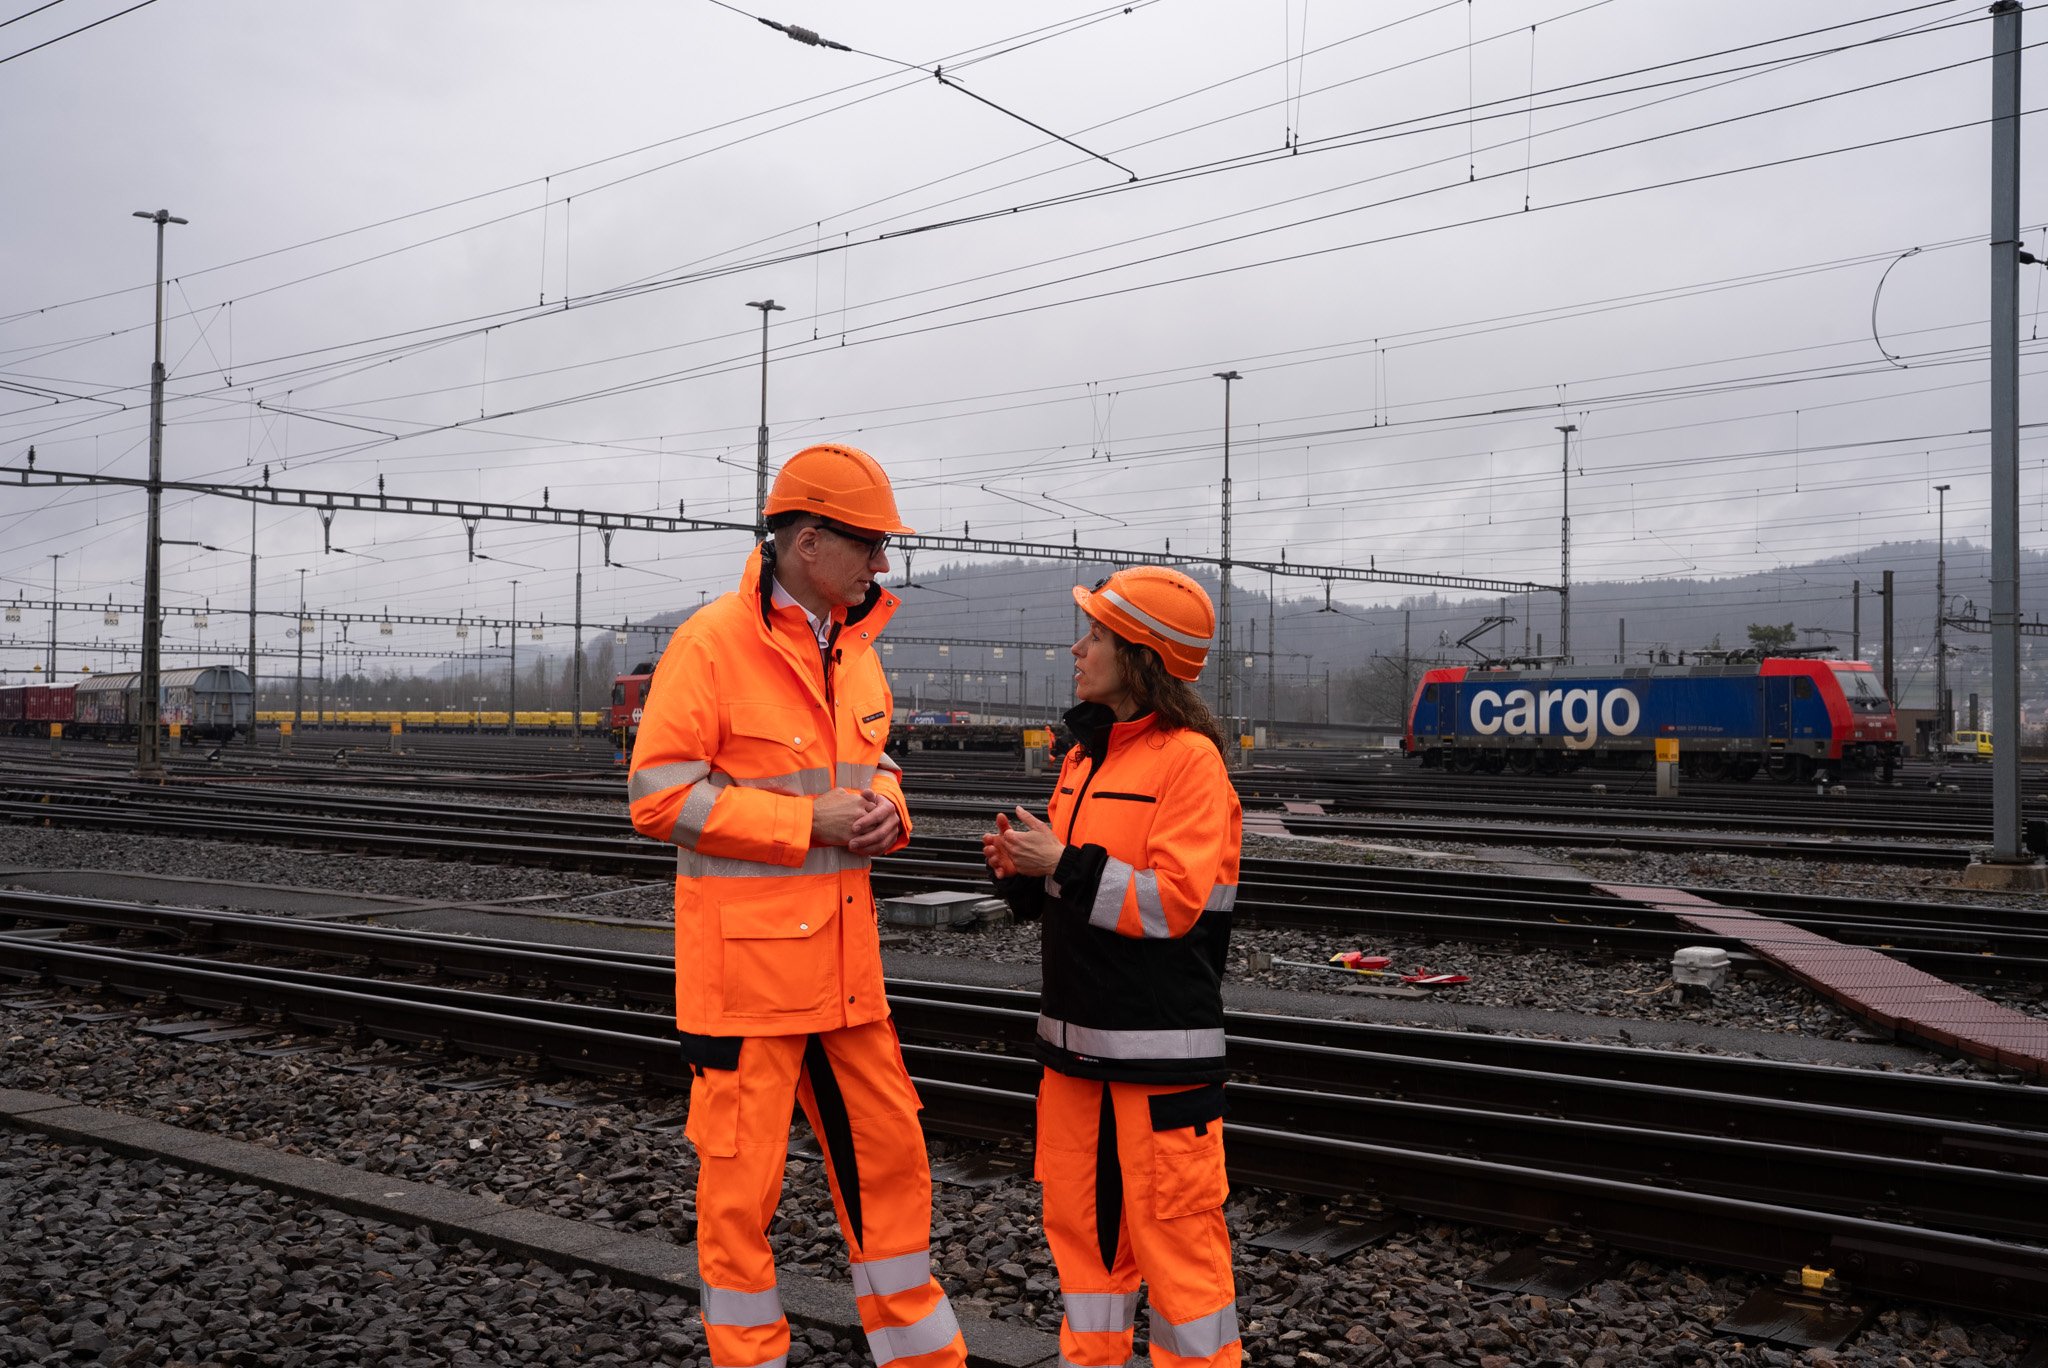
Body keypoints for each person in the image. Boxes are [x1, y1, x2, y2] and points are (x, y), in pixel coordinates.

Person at [628, 442, 967, 1368]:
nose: (883, 564)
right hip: (745, 984)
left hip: (847, 975)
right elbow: (658, 798)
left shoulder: (857, 652)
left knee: (893, 1167)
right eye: (871, 544)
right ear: (809, 541)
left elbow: (878, 767)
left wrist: (888, 815)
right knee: (741, 1201)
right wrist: (803, 824)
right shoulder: (709, 644)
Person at [982, 566, 1244, 1368]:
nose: (1077, 648)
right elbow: (1077, 894)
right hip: (1073, 1059)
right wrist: (1022, 874)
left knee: (1181, 1266)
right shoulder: (1083, 757)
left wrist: (1061, 861)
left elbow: (1173, 907)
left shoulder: (1189, 763)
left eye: (1093, 635)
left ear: (1140, 654)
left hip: (1158, 1064)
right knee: (1085, 1255)